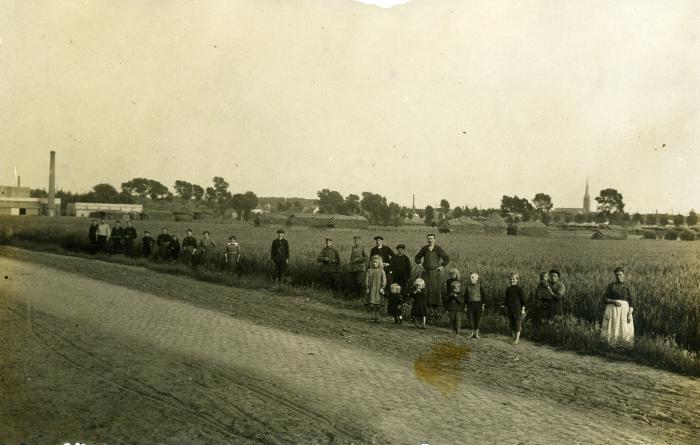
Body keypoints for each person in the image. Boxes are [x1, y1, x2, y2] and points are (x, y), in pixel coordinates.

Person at [414, 233, 450, 313]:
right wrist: (420, 266)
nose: (430, 240)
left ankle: (435, 307)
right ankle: (425, 306)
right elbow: (417, 257)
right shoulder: (425, 248)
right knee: (425, 288)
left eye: (431, 238)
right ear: (427, 239)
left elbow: (447, 259)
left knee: (434, 289)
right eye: (429, 239)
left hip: (435, 272)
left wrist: (441, 267)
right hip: (426, 272)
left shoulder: (438, 248)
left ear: (434, 239)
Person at [601, 267, 634, 345]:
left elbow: (631, 302)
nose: (619, 276)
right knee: (613, 327)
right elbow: (604, 298)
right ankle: (611, 345)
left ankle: (624, 345)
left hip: (624, 311)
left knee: (624, 328)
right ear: (615, 276)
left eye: (620, 274)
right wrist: (613, 301)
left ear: (624, 275)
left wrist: (629, 314)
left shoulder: (627, 286)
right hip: (613, 310)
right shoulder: (611, 286)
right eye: (617, 275)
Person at [503, 272, 526, 345]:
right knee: (511, 322)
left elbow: (523, 300)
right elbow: (506, 299)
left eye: (513, 279)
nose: (512, 281)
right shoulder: (508, 289)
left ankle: (517, 338)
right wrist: (505, 307)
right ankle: (513, 337)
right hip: (510, 308)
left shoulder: (519, 289)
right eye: (510, 279)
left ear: (517, 280)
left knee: (517, 323)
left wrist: (523, 309)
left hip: (517, 309)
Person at [464, 272, 487, 339]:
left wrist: (483, 305)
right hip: (470, 305)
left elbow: (483, 296)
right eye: (470, 277)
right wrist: (465, 306)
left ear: (477, 278)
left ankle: (476, 334)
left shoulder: (480, 286)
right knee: (471, 319)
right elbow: (465, 297)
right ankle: (472, 333)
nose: (471, 279)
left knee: (477, 319)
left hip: (478, 304)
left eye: (473, 277)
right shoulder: (468, 287)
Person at [365, 255, 387, 323]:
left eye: (376, 262)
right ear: (371, 263)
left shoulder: (381, 271)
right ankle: (371, 316)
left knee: (378, 304)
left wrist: (382, 288)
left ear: (379, 263)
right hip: (371, 289)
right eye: (373, 262)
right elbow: (366, 280)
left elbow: (384, 280)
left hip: (378, 290)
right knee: (371, 304)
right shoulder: (369, 270)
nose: (375, 264)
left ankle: (377, 317)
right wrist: (367, 288)